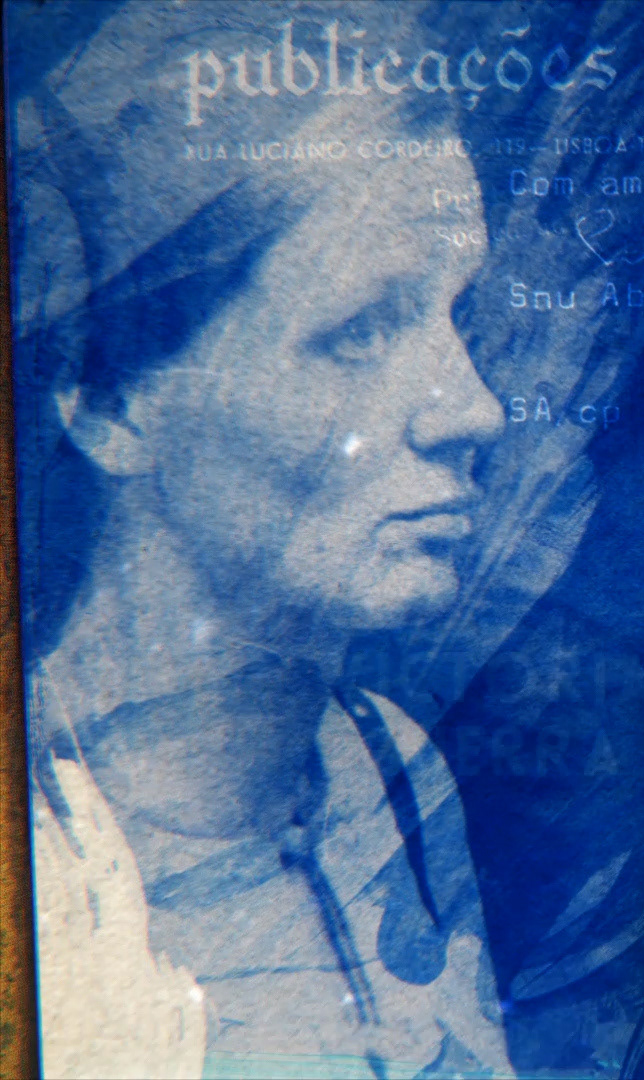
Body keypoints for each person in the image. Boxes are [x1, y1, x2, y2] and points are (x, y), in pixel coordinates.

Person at [14, 8, 511, 1077]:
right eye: (361, 329)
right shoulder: (30, 858)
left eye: (457, 316)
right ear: (110, 398)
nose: (474, 408)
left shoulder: (385, 768)